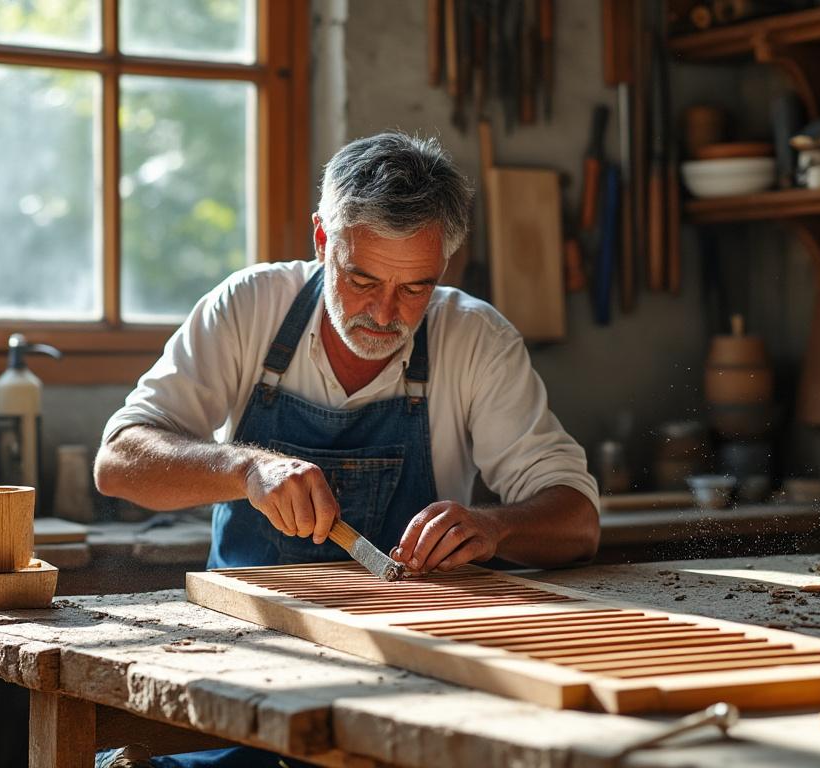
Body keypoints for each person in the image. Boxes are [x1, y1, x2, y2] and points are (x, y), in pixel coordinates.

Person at [93, 132, 600, 768]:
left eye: (414, 288)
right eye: (361, 278)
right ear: (321, 240)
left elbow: (577, 521)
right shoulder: (250, 308)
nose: (384, 313)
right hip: (244, 660)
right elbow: (117, 461)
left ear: (445, 268)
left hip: (409, 674)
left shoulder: (475, 339)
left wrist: (494, 527)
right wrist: (245, 468)